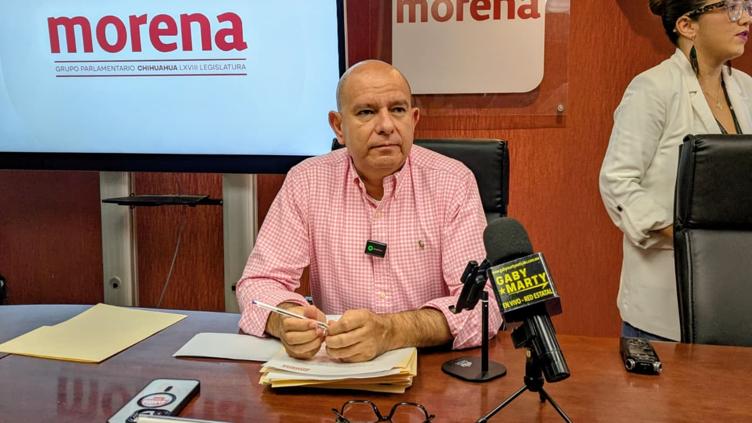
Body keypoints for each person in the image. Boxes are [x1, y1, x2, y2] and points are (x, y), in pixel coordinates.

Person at [236, 60, 501, 362]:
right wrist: (286, 319)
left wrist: (393, 331)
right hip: (336, 367)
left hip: (431, 367)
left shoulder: (453, 182)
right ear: (338, 126)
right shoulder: (306, 182)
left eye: (398, 110)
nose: (386, 125)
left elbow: (485, 304)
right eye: (366, 112)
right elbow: (258, 284)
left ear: (413, 119)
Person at [600, 0, 752, 341]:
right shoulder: (652, 88)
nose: (744, 18)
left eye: (747, 6)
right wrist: (686, 236)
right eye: (730, 7)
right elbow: (617, 182)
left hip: (736, 298)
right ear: (687, 26)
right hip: (662, 308)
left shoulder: (747, 89)